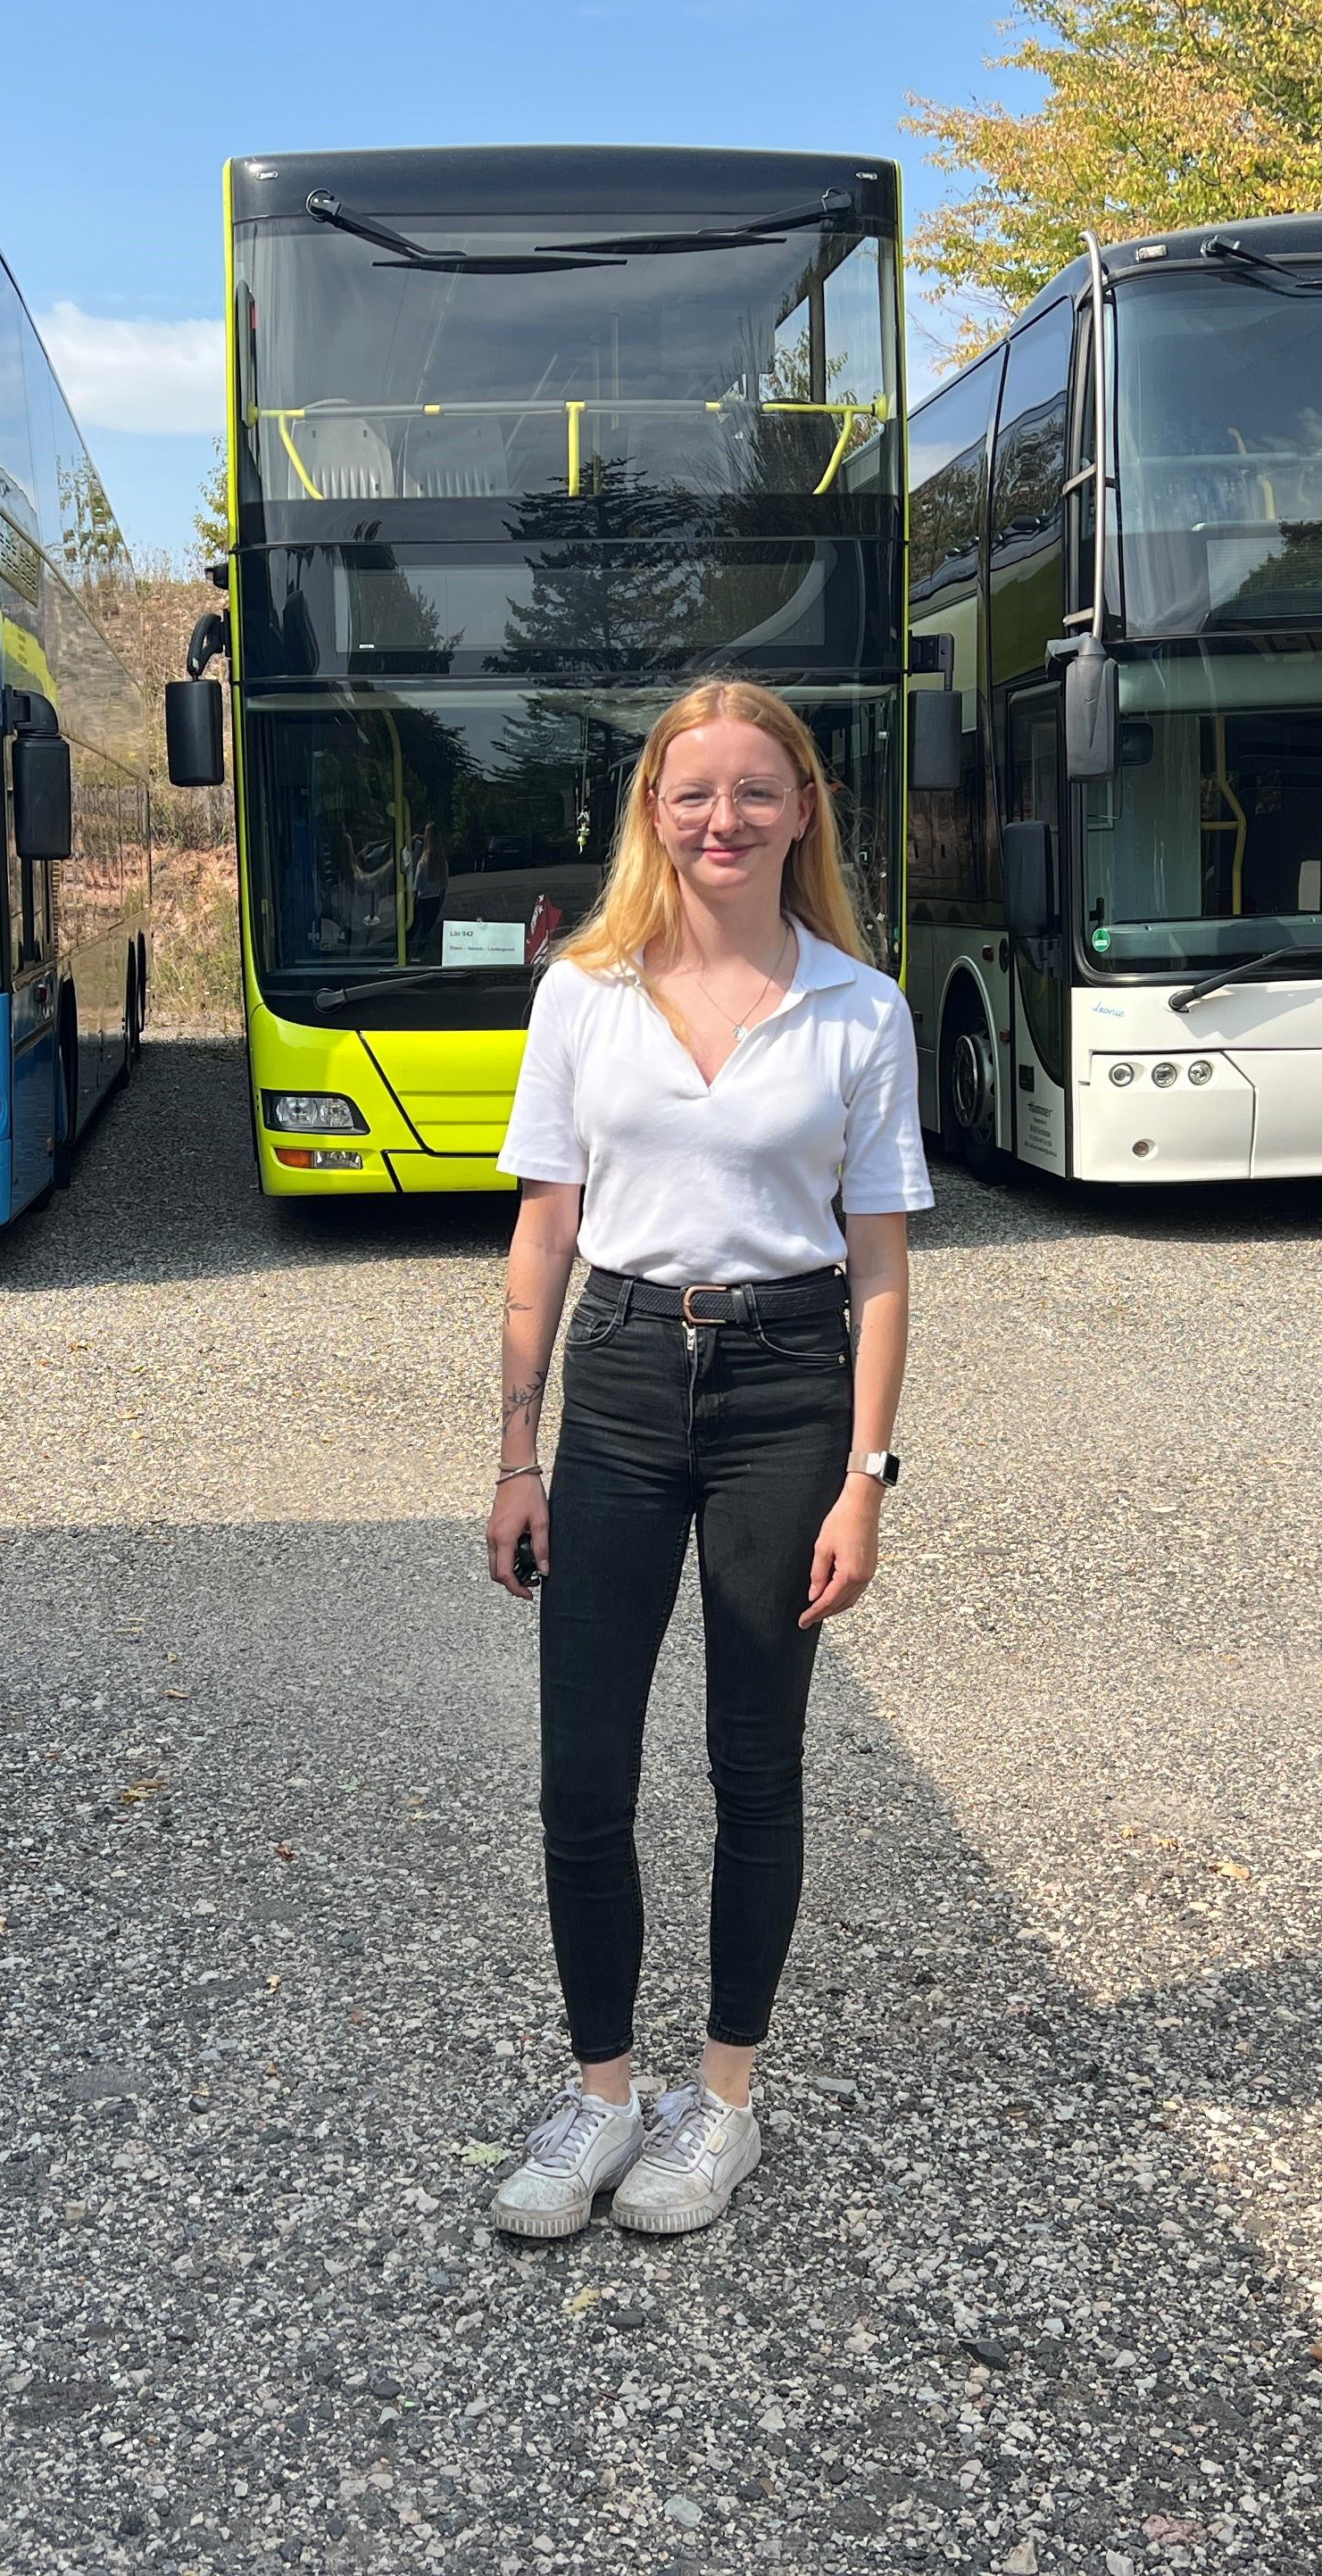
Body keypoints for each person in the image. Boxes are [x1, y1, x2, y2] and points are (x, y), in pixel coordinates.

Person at [479, 678, 929, 2240]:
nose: (721, 820)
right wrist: (516, 1447)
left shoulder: (860, 1010)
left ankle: (720, 2101)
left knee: (757, 1762)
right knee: (581, 1771)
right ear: (652, 814)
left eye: (755, 791)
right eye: (692, 793)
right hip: (609, 1378)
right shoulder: (580, 991)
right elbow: (545, 1227)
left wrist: (869, 1476)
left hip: (788, 1385)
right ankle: (604, 2096)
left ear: (804, 809)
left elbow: (878, 1263)